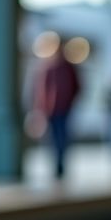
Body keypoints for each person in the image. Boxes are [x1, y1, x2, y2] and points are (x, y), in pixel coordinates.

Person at [34, 52, 81, 180]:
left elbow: (77, 87)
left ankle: (60, 163)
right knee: (52, 138)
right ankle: (56, 163)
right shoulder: (48, 68)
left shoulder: (68, 68)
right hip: (51, 110)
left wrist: (70, 102)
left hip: (64, 109)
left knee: (62, 137)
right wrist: (42, 106)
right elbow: (42, 89)